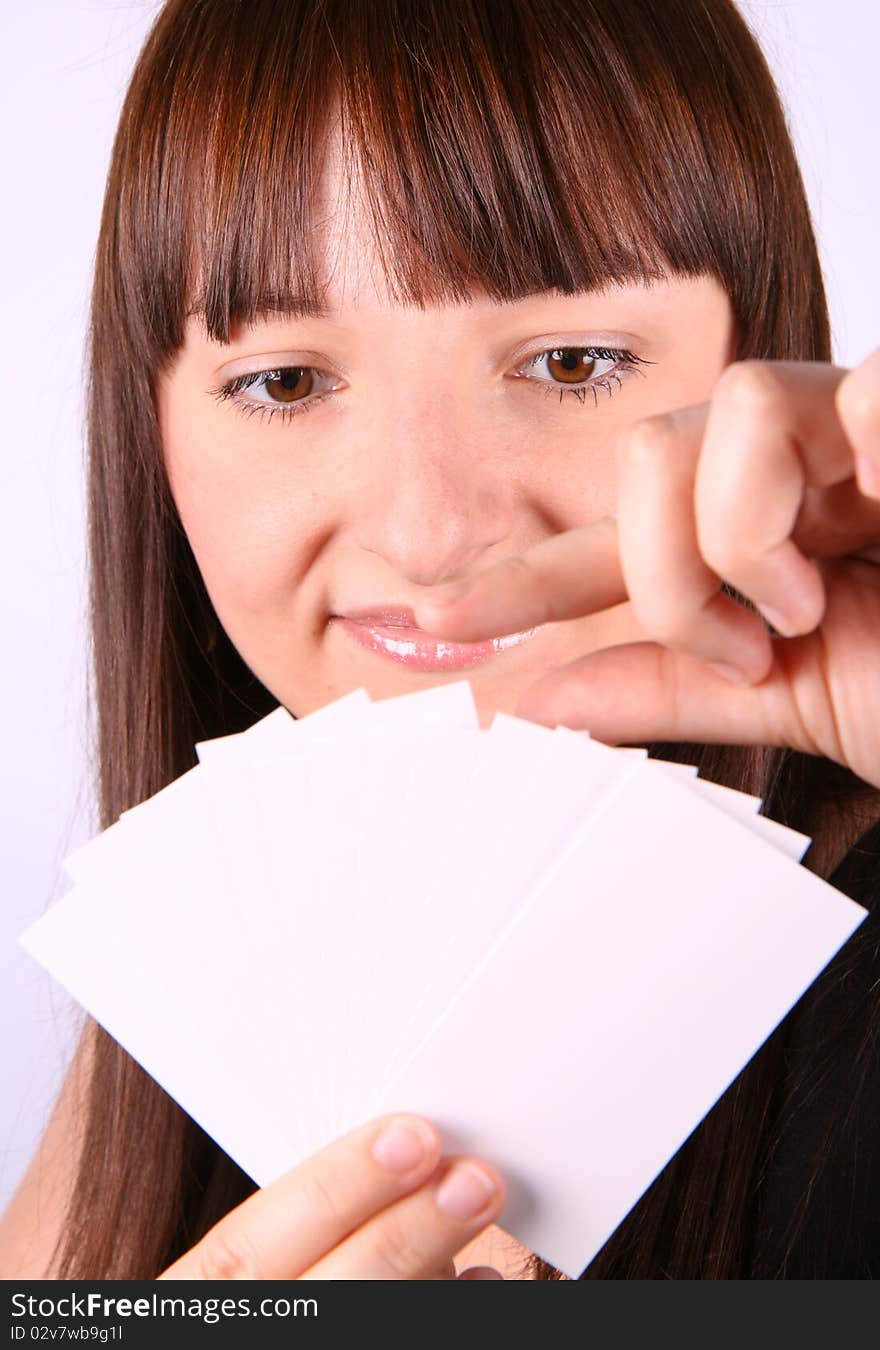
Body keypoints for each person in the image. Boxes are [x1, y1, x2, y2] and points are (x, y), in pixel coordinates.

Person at [0, 0, 877, 1281]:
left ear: (756, 359)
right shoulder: (168, 1020)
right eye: (286, 382)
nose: (429, 532)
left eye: (573, 363)